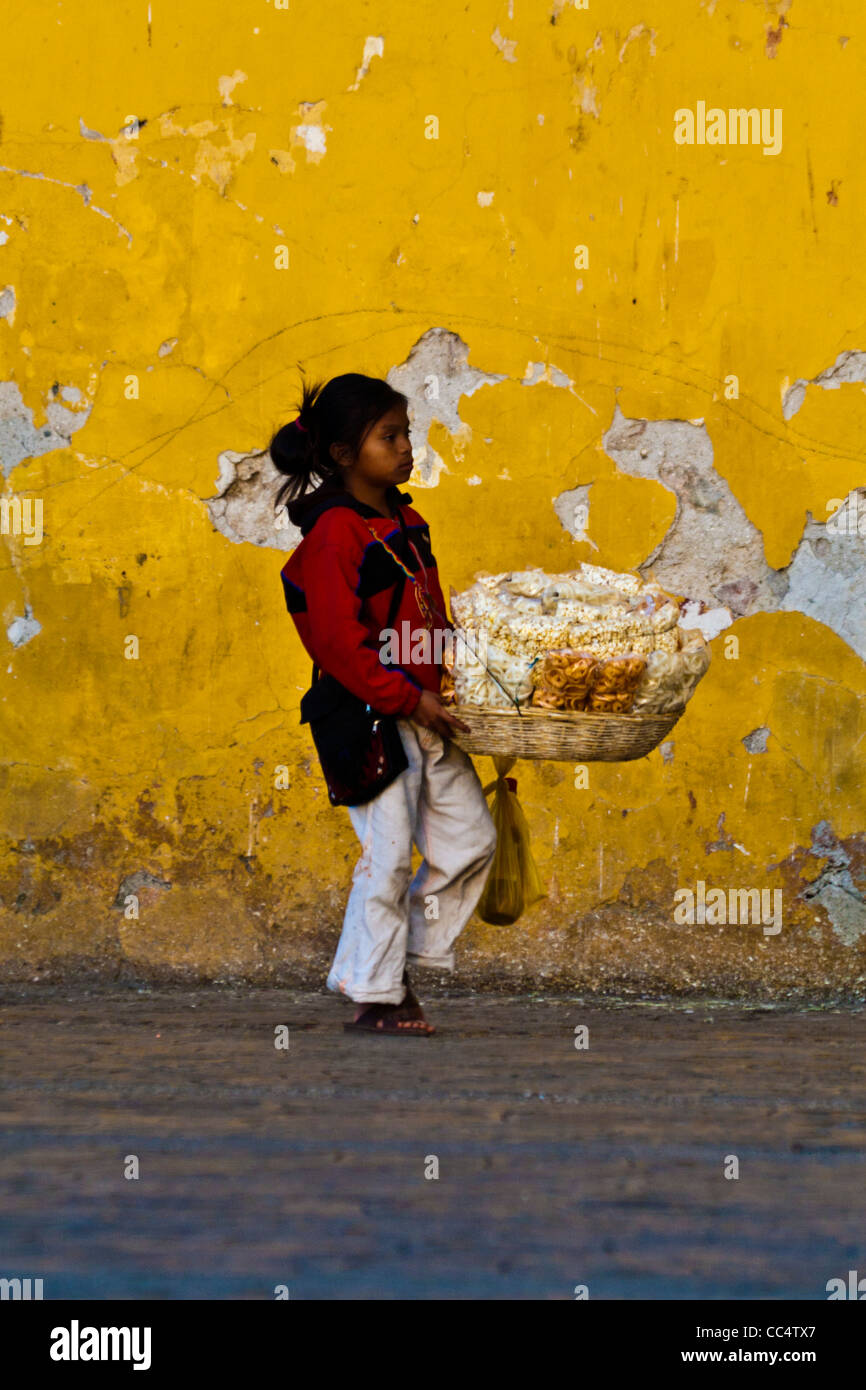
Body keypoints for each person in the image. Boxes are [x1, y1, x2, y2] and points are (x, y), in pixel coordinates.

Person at [270, 372, 497, 1036]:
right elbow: (340, 645)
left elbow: (430, 614)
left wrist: (461, 683)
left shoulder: (407, 519)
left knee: (472, 842)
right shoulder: (335, 534)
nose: (405, 449)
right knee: (388, 854)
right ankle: (379, 996)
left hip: (426, 710)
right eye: (388, 437)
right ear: (343, 454)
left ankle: (393, 968)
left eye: (406, 435)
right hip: (368, 716)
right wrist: (405, 697)